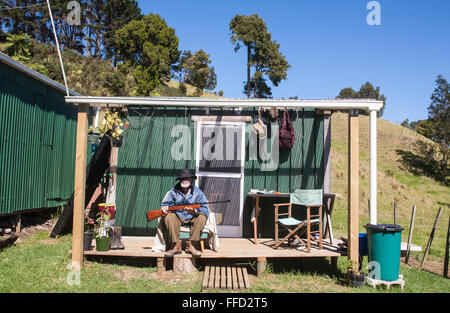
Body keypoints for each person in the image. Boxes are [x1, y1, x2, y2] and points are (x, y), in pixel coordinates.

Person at [160, 168, 209, 257]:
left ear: (191, 179)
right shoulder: (172, 192)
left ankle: (191, 245)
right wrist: (164, 208)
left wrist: (195, 211)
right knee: (169, 216)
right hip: (178, 216)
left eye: (187, 178)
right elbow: (164, 204)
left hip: (192, 217)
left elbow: (206, 209)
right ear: (179, 180)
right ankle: (176, 245)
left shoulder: (198, 193)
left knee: (202, 216)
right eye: (182, 178)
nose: (184, 180)